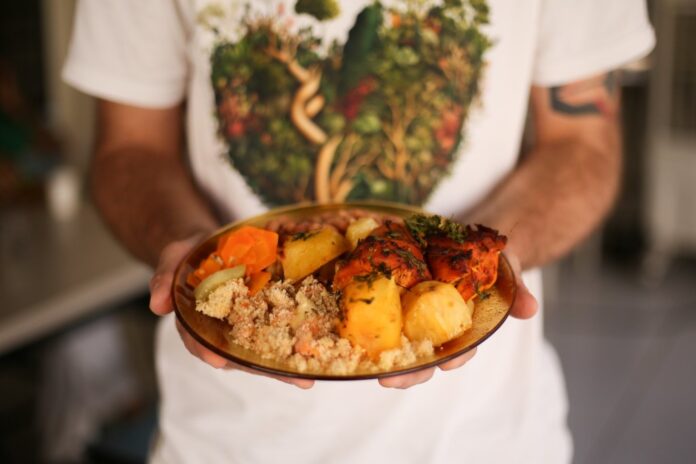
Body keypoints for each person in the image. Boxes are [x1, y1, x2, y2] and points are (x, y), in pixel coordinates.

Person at [63, 0, 654, 462]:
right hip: (224, 440)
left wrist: (485, 260)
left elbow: (582, 143)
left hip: (484, 437)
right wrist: (200, 252)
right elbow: (129, 149)